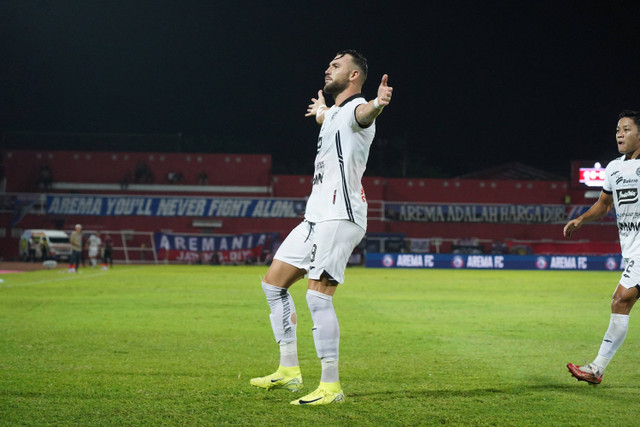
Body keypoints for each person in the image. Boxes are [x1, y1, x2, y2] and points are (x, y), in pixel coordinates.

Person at [250, 50, 393, 405]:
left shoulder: (359, 110)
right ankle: (289, 371)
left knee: (317, 295)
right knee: (273, 284)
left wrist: (379, 102)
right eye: (329, 64)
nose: (328, 69)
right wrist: (320, 113)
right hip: (314, 216)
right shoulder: (334, 114)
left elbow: (363, 115)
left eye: (336, 65)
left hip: (340, 215)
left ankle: (331, 385)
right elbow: (332, 117)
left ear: (355, 75)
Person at [564, 110, 640, 385]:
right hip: (631, 250)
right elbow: (605, 204)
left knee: (620, 300)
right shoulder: (614, 168)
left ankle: (596, 369)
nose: (620, 134)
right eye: (618, 129)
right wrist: (582, 219)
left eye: (627, 129)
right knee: (623, 301)